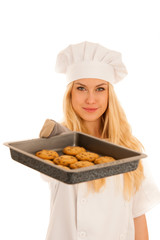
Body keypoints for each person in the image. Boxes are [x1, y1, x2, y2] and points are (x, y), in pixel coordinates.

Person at [39, 41, 160, 240]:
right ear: (70, 93)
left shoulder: (129, 148)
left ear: (109, 94)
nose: (91, 99)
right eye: (81, 88)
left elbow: (138, 217)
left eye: (100, 89)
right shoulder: (59, 144)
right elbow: (46, 172)